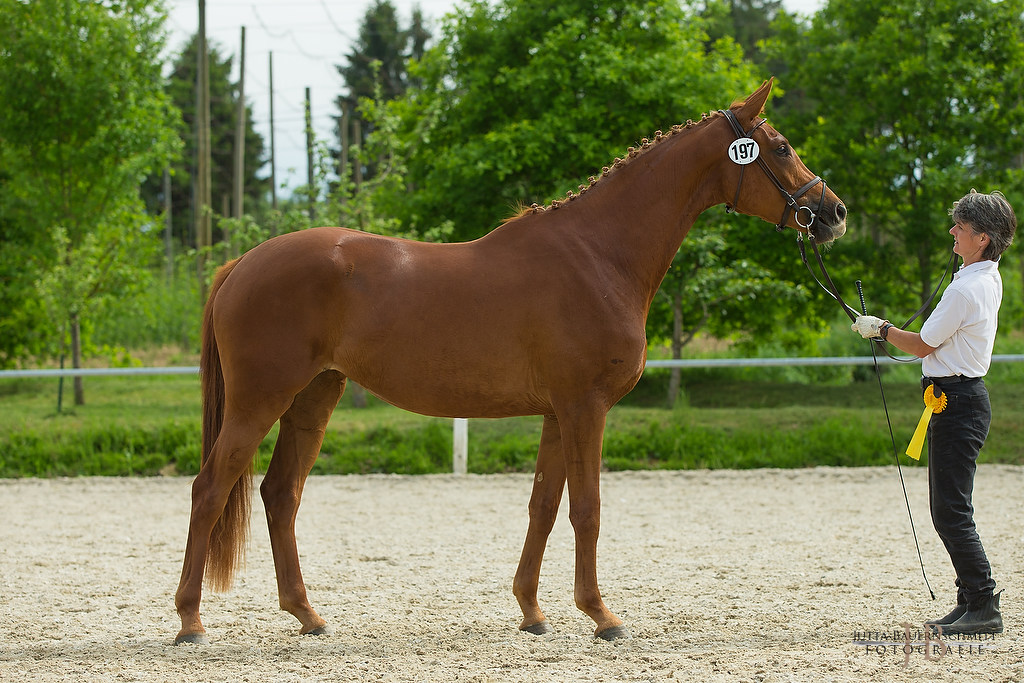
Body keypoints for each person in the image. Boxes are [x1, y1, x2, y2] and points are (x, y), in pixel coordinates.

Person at [852, 189, 1016, 636]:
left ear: (982, 237)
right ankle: (969, 602)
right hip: (956, 400)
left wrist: (881, 329)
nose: (952, 231)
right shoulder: (981, 278)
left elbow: (923, 343)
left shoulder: (967, 288)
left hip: (958, 402)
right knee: (949, 507)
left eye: (960, 227)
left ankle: (983, 603)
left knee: (950, 511)